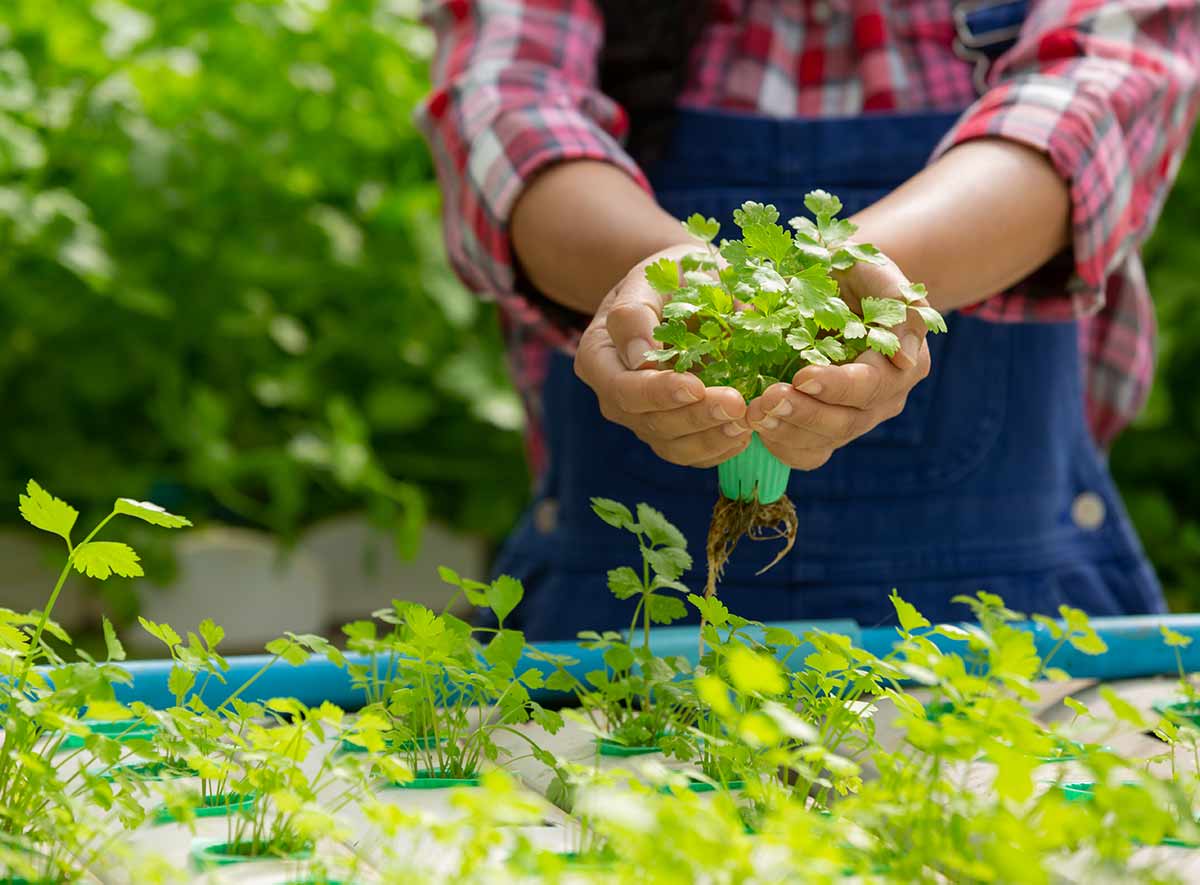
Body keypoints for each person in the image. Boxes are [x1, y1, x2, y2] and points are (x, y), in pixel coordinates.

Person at [416, 0, 1200, 640]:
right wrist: (667, 276)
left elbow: (1098, 101)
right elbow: (506, 109)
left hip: (1008, 612)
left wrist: (865, 278)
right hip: (620, 623)